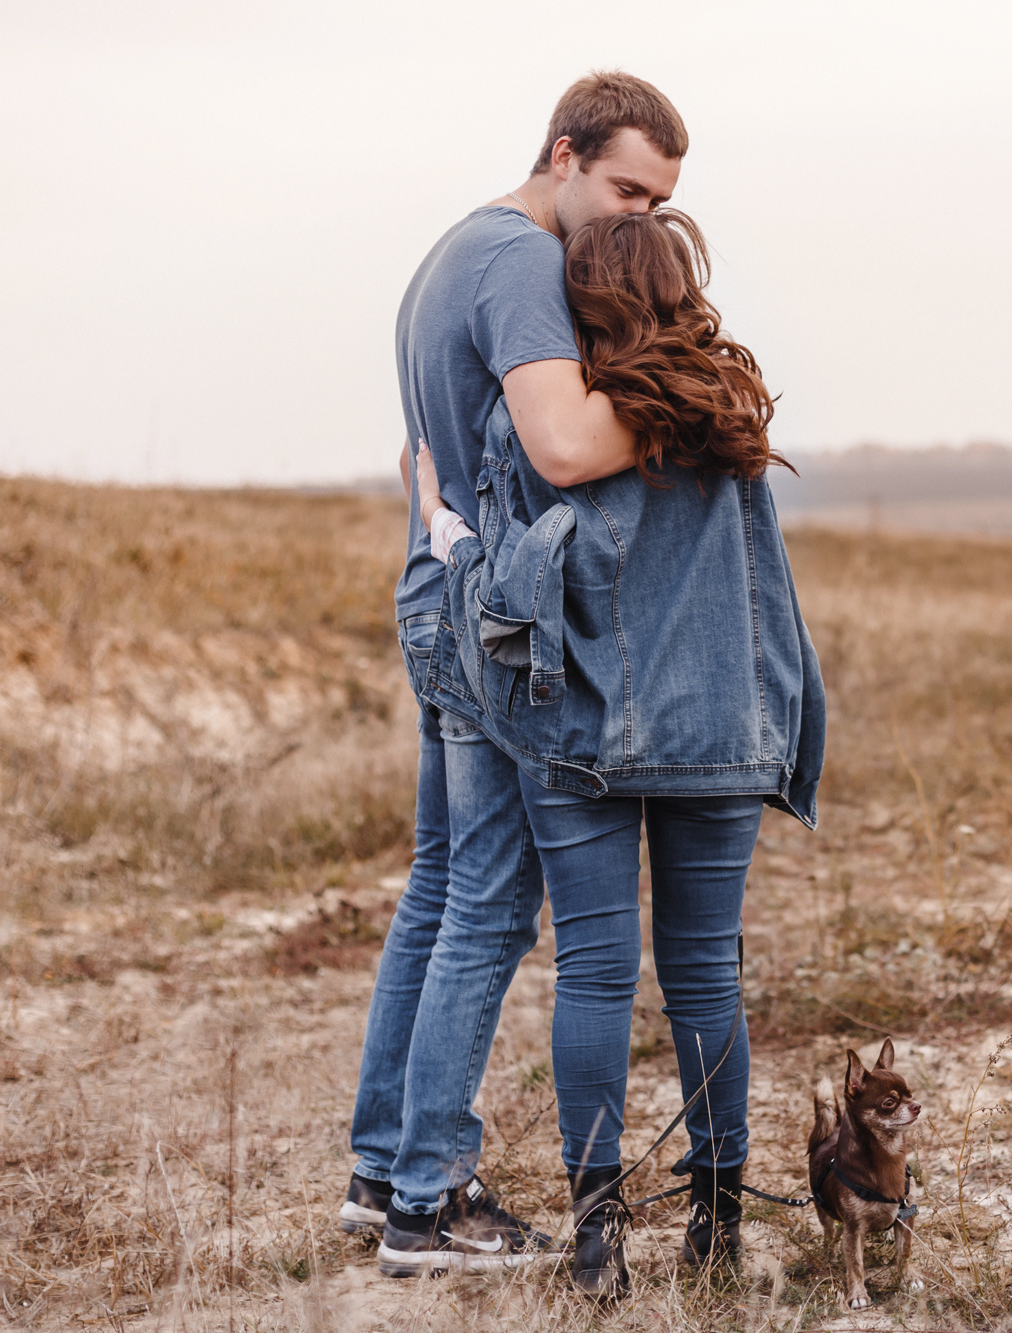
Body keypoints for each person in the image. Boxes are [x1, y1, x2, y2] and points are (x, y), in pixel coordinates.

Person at [413, 206, 823, 1297]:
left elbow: (508, 593)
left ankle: (598, 1239)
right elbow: (773, 599)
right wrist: (784, 726)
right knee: (706, 972)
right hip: (724, 735)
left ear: (582, 306)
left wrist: (441, 524)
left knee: (594, 970)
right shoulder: (729, 411)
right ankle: (718, 1225)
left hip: (583, 737)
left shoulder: (549, 433)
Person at [338, 71, 686, 1274]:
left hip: (439, 592)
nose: (639, 219)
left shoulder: (454, 249)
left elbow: (420, 451)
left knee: (442, 886)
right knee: (488, 901)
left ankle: (382, 1171)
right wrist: (694, 403)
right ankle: (428, 1203)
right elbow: (563, 443)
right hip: (490, 619)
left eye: (658, 202)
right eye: (627, 190)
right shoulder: (523, 262)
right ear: (563, 154)